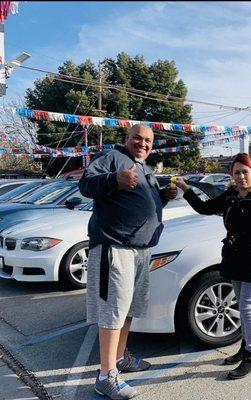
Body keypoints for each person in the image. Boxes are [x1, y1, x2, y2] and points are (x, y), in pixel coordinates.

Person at [79, 124, 177, 399]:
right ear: (127, 138)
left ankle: (119, 358)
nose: (143, 143)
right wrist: (113, 180)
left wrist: (163, 198)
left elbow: (143, 201)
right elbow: (85, 185)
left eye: (148, 140)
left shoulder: (144, 167)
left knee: (128, 309)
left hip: (141, 250)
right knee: (113, 310)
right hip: (115, 247)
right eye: (138, 138)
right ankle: (105, 376)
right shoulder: (111, 158)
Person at [173, 153, 251, 379]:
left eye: (245, 172)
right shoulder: (231, 194)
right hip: (233, 257)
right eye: (236, 172)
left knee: (248, 307)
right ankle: (245, 347)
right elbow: (205, 207)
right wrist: (186, 189)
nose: (241, 177)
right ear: (232, 175)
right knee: (241, 304)